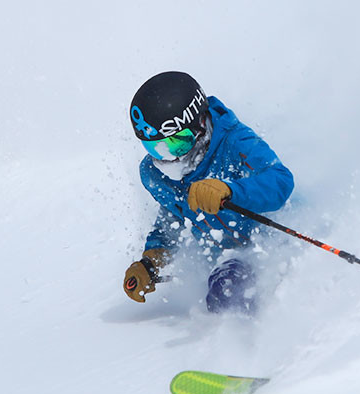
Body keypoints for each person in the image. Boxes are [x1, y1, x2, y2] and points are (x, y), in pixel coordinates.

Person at [123, 71, 294, 314]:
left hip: (276, 242)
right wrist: (152, 261)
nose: (169, 157)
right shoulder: (156, 174)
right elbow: (173, 215)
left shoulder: (235, 142)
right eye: (155, 147)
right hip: (229, 260)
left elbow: (280, 181)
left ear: (200, 124)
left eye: (175, 143)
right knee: (225, 289)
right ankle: (233, 343)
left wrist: (230, 191)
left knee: (227, 289)